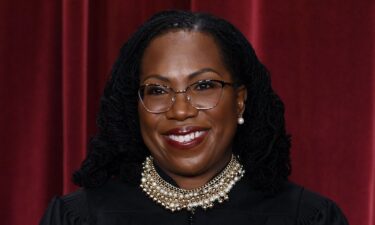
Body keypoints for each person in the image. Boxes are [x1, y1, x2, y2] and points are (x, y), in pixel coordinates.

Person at [40, 10, 349, 225]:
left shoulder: (306, 217)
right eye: (158, 90)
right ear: (134, 106)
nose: (180, 110)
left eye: (203, 86)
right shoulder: (79, 218)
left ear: (239, 101)